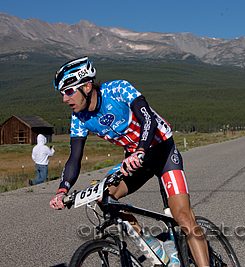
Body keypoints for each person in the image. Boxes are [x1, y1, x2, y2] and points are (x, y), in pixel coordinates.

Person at [48, 57, 209, 266]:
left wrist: (141, 150)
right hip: (135, 158)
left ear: (87, 86)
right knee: (104, 196)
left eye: (69, 91)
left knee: (183, 217)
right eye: (62, 94)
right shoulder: (79, 117)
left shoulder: (117, 89)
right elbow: (74, 157)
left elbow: (148, 119)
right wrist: (63, 190)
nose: (64, 99)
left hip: (161, 150)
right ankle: (155, 247)